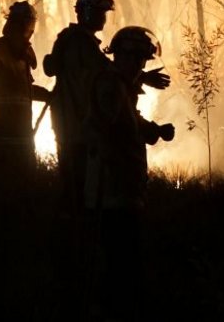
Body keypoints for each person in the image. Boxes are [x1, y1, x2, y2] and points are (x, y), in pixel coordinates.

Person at [43, 0, 169, 212]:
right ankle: (76, 239)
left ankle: (75, 234)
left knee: (79, 193)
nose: (104, 18)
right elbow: (110, 75)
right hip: (79, 130)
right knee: (81, 195)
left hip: (75, 126)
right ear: (87, 12)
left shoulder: (79, 42)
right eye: (101, 13)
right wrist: (144, 77)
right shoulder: (80, 44)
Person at [84, 25, 175, 319]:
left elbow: (130, 120)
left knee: (125, 264)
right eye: (136, 60)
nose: (139, 67)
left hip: (122, 192)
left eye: (143, 62)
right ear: (121, 56)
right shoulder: (111, 86)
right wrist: (143, 133)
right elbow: (113, 126)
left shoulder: (120, 86)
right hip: (110, 194)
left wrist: (154, 130)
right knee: (117, 267)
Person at [0, 0, 51, 176]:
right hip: (4, 129)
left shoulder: (22, 54)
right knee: (7, 176)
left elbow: (23, 90)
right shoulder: (2, 47)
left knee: (25, 175)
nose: (31, 28)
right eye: (29, 23)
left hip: (21, 128)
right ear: (21, 24)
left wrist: (47, 95)